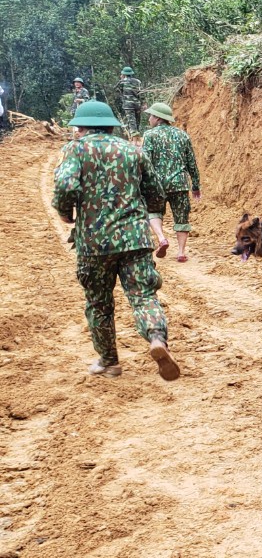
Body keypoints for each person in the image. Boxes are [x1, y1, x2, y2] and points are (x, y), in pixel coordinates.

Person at [52, 101, 181, 381]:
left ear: (81, 126)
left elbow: (64, 186)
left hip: (94, 243)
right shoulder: (132, 151)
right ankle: (157, 339)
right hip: (135, 239)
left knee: (99, 302)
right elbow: (156, 192)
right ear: (112, 125)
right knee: (143, 296)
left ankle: (109, 362)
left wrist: (66, 213)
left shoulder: (75, 149)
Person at [142, 102, 200, 262]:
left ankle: (161, 238)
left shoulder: (149, 135)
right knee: (182, 218)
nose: (149, 119)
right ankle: (181, 252)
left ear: (157, 118)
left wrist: (142, 183)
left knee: (153, 212)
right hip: (180, 184)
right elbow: (191, 163)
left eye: (150, 116)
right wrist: (195, 186)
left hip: (157, 185)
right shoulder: (183, 135)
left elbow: (145, 162)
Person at [115, 67, 143, 136]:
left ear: (124, 74)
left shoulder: (122, 82)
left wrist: (122, 80)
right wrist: (143, 103)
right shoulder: (138, 81)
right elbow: (141, 93)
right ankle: (137, 135)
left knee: (131, 121)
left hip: (128, 105)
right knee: (137, 121)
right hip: (137, 104)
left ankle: (133, 137)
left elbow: (116, 89)